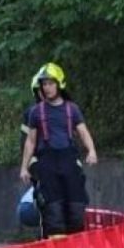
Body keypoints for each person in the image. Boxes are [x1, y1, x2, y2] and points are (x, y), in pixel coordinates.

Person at [19, 62, 97, 237]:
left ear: (59, 84)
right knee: (53, 214)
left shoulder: (72, 109)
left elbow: (83, 132)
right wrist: (24, 167)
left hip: (69, 162)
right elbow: (30, 141)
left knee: (76, 210)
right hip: (48, 165)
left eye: (51, 83)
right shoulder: (35, 113)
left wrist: (91, 151)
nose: (47, 88)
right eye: (44, 84)